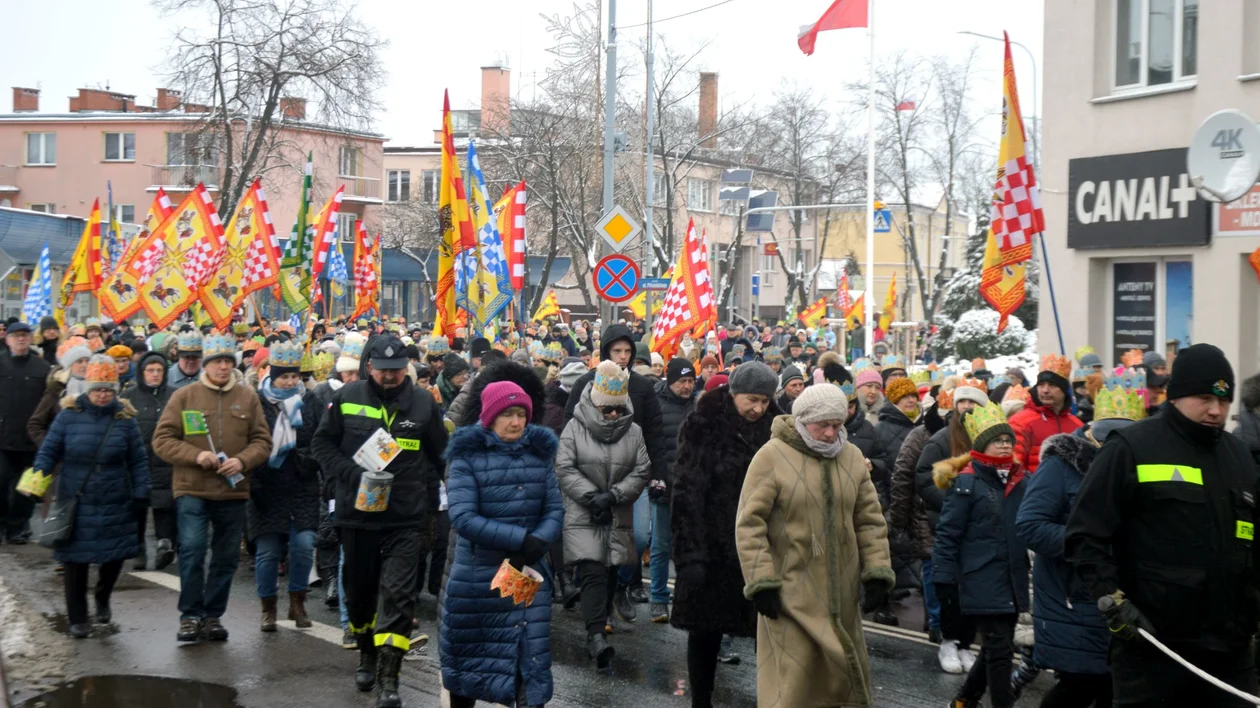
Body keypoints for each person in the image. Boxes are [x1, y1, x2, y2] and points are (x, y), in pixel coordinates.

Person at [1066, 344, 1260, 704]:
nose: (1215, 410)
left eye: (1224, 400)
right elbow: (1085, 534)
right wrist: (1111, 598)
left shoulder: (1240, 458)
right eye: (1203, 398)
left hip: (1230, 653)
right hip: (1153, 650)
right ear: (1176, 395)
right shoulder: (1132, 447)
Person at [736, 383, 894, 707]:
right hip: (791, 595)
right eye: (822, 424)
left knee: (842, 685)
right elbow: (749, 525)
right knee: (794, 688)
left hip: (843, 596)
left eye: (837, 425)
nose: (829, 433)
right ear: (802, 420)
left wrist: (877, 570)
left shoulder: (851, 457)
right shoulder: (771, 457)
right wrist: (761, 581)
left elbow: (869, 520)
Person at [312, 334, 449, 708]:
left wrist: (448, 500)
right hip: (356, 516)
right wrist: (349, 472)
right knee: (359, 594)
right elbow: (321, 445)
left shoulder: (423, 402)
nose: (390, 376)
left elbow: (441, 456)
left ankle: (390, 678)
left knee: (400, 595)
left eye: (397, 370)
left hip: (405, 517)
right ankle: (367, 653)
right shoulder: (345, 398)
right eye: (383, 370)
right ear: (368, 367)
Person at [1015, 376, 1144, 708]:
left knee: (1113, 688)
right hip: (1072, 597)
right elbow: (1030, 525)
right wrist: (1088, 546)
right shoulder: (1061, 465)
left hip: (1123, 597)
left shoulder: (1140, 464)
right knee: (1080, 684)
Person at [441, 381, 564, 708]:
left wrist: (540, 539)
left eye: (521, 414)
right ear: (490, 417)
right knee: (470, 667)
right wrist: (519, 539)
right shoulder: (467, 457)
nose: (516, 422)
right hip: (478, 582)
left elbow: (554, 508)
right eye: (507, 414)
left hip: (525, 576)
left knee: (528, 661)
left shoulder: (539, 456)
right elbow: (463, 517)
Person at [671, 362, 780, 708]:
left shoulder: (777, 428)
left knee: (770, 633)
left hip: (761, 547)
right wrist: (690, 553)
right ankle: (700, 701)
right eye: (751, 400)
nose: (758, 408)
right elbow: (687, 490)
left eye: (764, 401)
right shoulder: (702, 425)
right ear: (733, 394)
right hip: (713, 545)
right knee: (705, 632)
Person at [153, 334, 272, 644]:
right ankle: (190, 616)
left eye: (227, 362)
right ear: (206, 364)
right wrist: (196, 455)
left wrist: (242, 461)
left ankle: (213, 616)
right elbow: (162, 440)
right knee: (191, 549)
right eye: (216, 361)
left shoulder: (248, 397)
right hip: (191, 487)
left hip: (232, 491)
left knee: (226, 556)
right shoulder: (184, 396)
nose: (222, 367)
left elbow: (262, 442)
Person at [31, 354, 150, 638]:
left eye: (107, 390)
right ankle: (78, 616)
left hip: (115, 496)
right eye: (97, 389)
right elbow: (49, 451)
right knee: (75, 560)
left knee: (114, 556)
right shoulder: (68, 416)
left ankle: (102, 596)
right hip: (76, 496)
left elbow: (138, 459)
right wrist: (36, 479)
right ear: (87, 389)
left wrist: (141, 490)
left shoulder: (125, 420)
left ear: (115, 391)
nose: (102, 395)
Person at [564, 323, 664, 621]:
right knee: (597, 546)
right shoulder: (585, 384)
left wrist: (659, 474)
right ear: (605, 351)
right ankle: (600, 608)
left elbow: (655, 435)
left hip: (633, 477)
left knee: (638, 539)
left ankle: (621, 586)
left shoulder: (643, 387)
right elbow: (569, 428)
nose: (622, 356)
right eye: (616, 350)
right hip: (592, 478)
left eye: (627, 351)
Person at [932, 401, 1029, 708]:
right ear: (983, 444)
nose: (1003, 445)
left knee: (995, 646)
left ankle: (964, 699)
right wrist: (944, 577)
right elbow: (948, 533)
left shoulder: (1019, 480)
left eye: (1007, 440)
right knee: (1000, 649)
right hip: (980, 576)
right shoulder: (967, 481)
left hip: (1012, 575)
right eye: (997, 440)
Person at [555, 361, 651, 669]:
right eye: (607, 409)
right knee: (593, 569)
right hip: (584, 511)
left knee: (611, 569)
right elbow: (564, 467)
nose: (612, 415)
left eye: (617, 410)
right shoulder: (574, 427)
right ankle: (595, 636)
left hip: (615, 511)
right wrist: (591, 497)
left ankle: (602, 620)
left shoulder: (633, 432)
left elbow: (642, 469)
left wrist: (614, 496)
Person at [249, 342, 320, 633]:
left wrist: (307, 459)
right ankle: (268, 608)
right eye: (284, 377)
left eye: (295, 376)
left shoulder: (311, 401)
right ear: (272, 375)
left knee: (303, 546)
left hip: (302, 485)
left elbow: (321, 437)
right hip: (267, 485)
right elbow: (248, 437)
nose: (290, 382)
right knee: (267, 552)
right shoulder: (257, 401)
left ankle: (298, 602)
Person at [308, 333, 364, 620]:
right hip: (330, 477)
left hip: (364, 480)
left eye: (356, 372)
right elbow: (319, 438)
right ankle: (334, 589)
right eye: (347, 372)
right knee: (331, 535)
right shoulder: (322, 393)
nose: (351, 377)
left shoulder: (370, 394)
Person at [647, 358, 697, 623]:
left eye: (691, 381)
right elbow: (654, 446)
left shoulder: (700, 406)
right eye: (682, 381)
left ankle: (685, 599)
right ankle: (658, 598)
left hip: (693, 490)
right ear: (671, 381)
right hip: (665, 486)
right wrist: (657, 479)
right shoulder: (657, 405)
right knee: (661, 546)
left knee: (689, 548)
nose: (687, 386)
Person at [120, 352, 178, 571]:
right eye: (150, 370)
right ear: (142, 372)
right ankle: (139, 550)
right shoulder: (128, 396)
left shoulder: (175, 395)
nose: (155, 375)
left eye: (159, 370)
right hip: (138, 463)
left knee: (164, 508)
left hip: (166, 463)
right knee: (138, 509)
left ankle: (166, 547)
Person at [0, 321, 51, 543]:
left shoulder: (42, 368)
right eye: (16, 336)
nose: (21, 339)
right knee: (1, 485)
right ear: (8, 339)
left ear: (31, 339)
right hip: (2, 439)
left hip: (31, 441)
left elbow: (49, 403)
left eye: (24, 335)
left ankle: (17, 528)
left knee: (27, 490)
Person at [1008, 355, 1083, 473]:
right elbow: (1014, 468)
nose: (1045, 390)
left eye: (1052, 385)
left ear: (1064, 390)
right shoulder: (1020, 422)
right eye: (1041, 384)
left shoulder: (1077, 425)